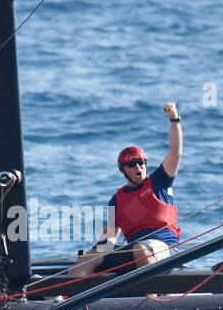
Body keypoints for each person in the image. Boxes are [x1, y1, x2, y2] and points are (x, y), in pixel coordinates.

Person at [69, 102, 183, 276]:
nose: (138, 167)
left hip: (164, 250)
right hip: (133, 253)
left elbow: (175, 153)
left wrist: (175, 120)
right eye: (131, 164)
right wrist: (91, 255)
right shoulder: (117, 200)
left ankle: (153, 298)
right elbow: (108, 240)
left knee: (140, 248)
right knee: (89, 257)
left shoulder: (159, 182)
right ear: (123, 170)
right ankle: (65, 298)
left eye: (141, 163)